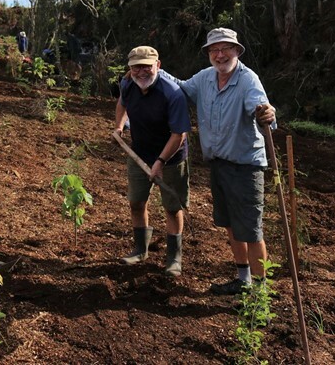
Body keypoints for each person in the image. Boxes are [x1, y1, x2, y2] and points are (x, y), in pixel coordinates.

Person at [160, 27, 276, 294]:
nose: (220, 54)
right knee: (230, 224)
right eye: (214, 50)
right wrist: (153, 70)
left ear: (237, 51)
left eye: (225, 49)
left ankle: (260, 294)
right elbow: (179, 87)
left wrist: (265, 114)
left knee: (250, 228)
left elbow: (261, 109)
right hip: (218, 164)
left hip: (245, 166)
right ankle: (243, 279)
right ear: (209, 54)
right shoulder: (205, 79)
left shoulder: (248, 80)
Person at [114, 46, 191, 277]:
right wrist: (119, 125)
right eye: (136, 67)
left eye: (146, 66)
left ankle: (174, 258)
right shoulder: (128, 84)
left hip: (171, 158)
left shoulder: (173, 93)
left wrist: (160, 161)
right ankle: (140, 249)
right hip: (139, 153)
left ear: (157, 65)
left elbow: (179, 135)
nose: (141, 71)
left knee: (172, 207)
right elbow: (122, 103)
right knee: (136, 202)